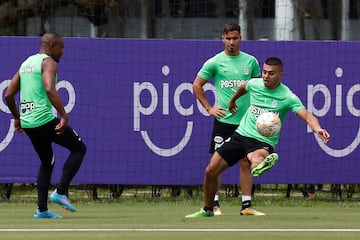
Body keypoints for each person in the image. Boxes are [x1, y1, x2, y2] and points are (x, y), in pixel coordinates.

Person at [186, 57, 330, 218]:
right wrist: (233, 101)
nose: (266, 76)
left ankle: (260, 165)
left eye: (271, 73)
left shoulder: (288, 96)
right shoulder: (255, 84)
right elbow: (243, 87)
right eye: (264, 72)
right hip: (241, 135)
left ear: (281, 75)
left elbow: (307, 115)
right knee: (211, 170)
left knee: (255, 158)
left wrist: (318, 129)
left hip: (263, 140)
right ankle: (207, 209)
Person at [5, 32, 87, 219]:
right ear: (51, 47)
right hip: (44, 120)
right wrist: (64, 116)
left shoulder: (25, 64)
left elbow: (8, 95)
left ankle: (41, 210)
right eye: (61, 47)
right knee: (79, 148)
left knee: (47, 161)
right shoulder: (49, 62)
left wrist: (17, 118)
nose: (63, 51)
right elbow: (50, 88)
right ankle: (61, 192)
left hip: (29, 123)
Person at [193, 23, 261, 216]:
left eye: (235, 38)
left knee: (246, 163)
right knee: (216, 164)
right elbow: (197, 85)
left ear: (241, 38)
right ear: (223, 39)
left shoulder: (251, 62)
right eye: (228, 38)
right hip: (223, 122)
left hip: (246, 123)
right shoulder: (215, 62)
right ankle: (214, 204)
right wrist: (209, 108)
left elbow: (257, 88)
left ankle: (246, 206)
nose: (232, 42)